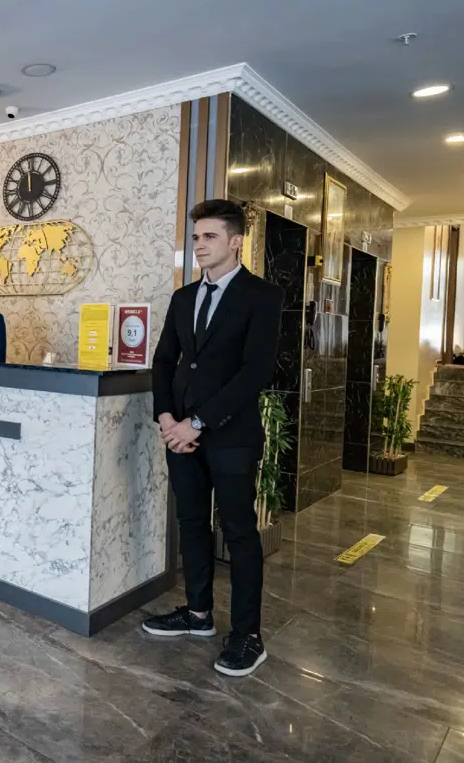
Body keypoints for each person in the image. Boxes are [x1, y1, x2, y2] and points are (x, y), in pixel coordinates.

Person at [144, 199, 283, 677]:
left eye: (209, 237)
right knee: (191, 522)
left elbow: (255, 372)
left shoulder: (262, 296)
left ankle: (247, 635)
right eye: (196, 237)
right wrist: (167, 417)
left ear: (236, 241)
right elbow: (165, 360)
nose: (199, 246)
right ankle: (198, 613)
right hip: (179, 433)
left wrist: (197, 423)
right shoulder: (183, 297)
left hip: (230, 436)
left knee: (240, 533)